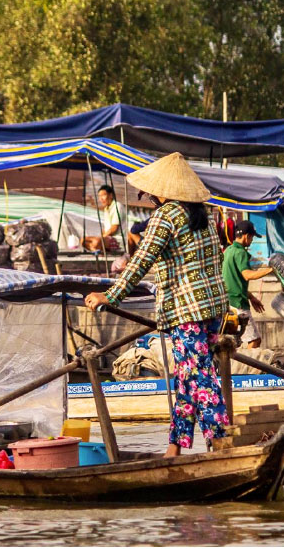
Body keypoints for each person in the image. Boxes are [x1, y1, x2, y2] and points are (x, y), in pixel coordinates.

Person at [84, 153, 229, 457]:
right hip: (214, 309)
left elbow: (141, 260)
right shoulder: (202, 215)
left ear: (163, 191)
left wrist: (109, 296)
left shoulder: (166, 216)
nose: (150, 198)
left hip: (186, 311)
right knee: (189, 380)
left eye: (152, 194)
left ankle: (220, 444)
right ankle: (174, 449)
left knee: (200, 375)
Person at [221, 220, 275, 344]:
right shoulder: (241, 253)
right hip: (238, 303)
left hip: (227, 301)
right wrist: (271, 270)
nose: (251, 241)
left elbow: (234, 280)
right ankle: (248, 364)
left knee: (234, 341)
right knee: (254, 341)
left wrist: (251, 297)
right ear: (246, 236)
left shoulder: (228, 250)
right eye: (252, 238)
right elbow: (247, 275)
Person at [83, 185, 126, 252]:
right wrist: (101, 237)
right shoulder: (106, 209)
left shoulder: (117, 206)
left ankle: (96, 249)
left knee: (97, 242)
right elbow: (105, 228)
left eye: (103, 195)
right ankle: (95, 249)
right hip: (107, 238)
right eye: (99, 196)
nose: (101, 199)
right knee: (83, 240)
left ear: (111, 195)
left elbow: (114, 228)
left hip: (117, 240)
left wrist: (101, 238)